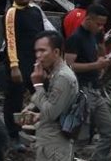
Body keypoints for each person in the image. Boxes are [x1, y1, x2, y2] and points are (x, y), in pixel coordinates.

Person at [2, 0, 53, 152]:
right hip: (18, 62)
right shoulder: (11, 13)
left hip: (36, 63)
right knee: (14, 101)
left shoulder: (36, 10)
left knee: (44, 97)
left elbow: (46, 34)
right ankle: (13, 136)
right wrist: (14, 67)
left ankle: (48, 133)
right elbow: (10, 41)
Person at [64, 4, 111, 159]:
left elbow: (94, 57)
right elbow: (68, 66)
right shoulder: (75, 38)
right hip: (81, 92)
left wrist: (102, 62)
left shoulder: (93, 35)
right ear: (88, 19)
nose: (101, 28)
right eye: (98, 24)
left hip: (95, 90)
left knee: (109, 132)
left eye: (103, 25)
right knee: (79, 137)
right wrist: (95, 65)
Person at [30, 30, 79, 161]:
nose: (38, 56)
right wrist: (40, 115)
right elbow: (59, 108)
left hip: (55, 146)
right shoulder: (55, 74)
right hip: (49, 142)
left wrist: (38, 86)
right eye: (36, 51)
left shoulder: (63, 77)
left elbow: (51, 112)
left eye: (42, 51)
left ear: (56, 52)